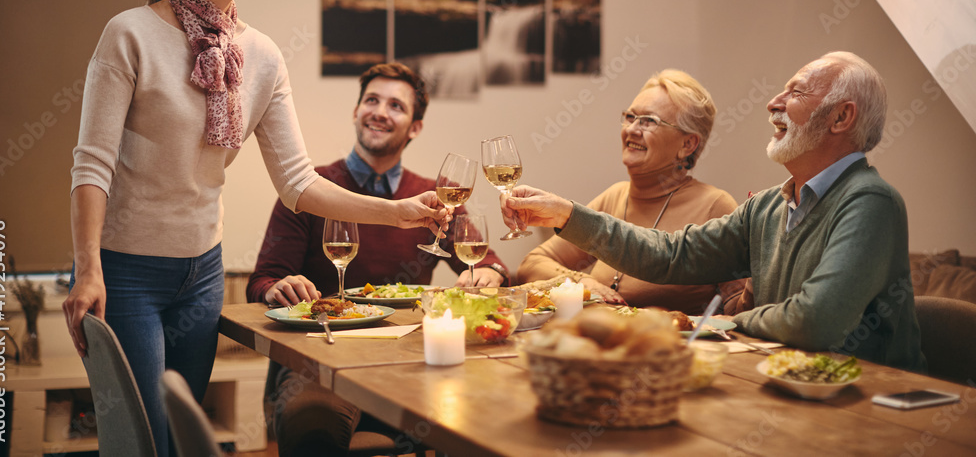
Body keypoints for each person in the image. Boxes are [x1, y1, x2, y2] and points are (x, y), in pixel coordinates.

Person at [62, 0, 446, 457]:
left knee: (184, 435)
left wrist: (397, 213)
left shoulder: (262, 55)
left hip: (202, 274)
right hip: (125, 270)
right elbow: (92, 164)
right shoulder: (130, 34)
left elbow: (299, 182)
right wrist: (88, 268)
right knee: (144, 441)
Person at [503, 52, 925, 371]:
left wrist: (730, 321)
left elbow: (815, 321)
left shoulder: (870, 202)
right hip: (783, 384)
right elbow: (670, 255)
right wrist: (566, 214)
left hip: (868, 405)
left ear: (841, 117)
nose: (773, 103)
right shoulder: (767, 206)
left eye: (795, 92)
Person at [246, 61, 508, 456]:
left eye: (396, 106)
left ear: (415, 127)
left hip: (408, 361)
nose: (380, 112)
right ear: (356, 111)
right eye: (372, 100)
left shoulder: (435, 196)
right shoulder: (308, 189)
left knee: (485, 415)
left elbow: (486, 261)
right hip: (321, 361)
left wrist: (489, 273)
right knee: (311, 426)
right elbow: (262, 281)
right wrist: (276, 288)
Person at [516, 69, 747, 312]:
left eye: (649, 121)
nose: (632, 129)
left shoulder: (715, 206)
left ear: (687, 144)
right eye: (630, 117)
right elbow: (531, 264)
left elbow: (738, 307)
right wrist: (580, 281)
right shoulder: (616, 196)